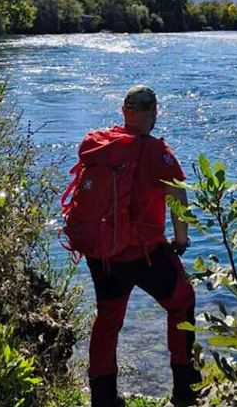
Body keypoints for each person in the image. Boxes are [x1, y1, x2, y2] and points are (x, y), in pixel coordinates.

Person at [84, 85, 200, 407]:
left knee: (108, 319)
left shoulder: (103, 146)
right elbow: (178, 198)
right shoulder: (156, 153)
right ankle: (183, 391)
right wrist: (181, 240)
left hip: (102, 253)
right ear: (153, 113)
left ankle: (103, 398)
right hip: (144, 253)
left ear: (125, 111)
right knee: (182, 301)